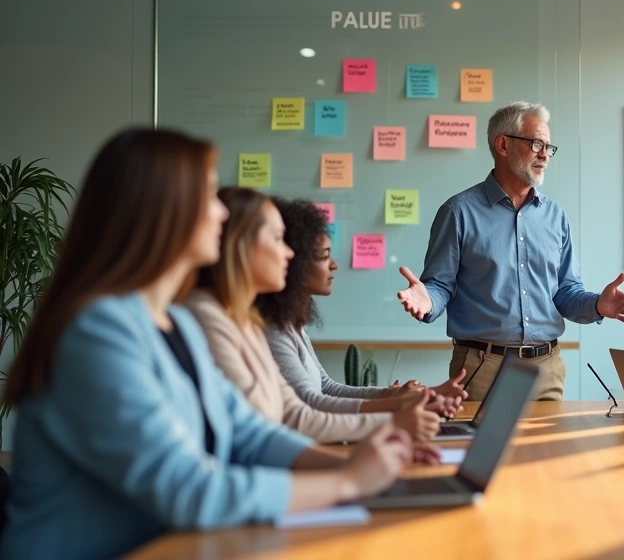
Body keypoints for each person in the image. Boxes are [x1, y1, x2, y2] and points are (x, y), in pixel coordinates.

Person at [0, 128, 423, 559]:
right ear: (160, 210)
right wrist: (347, 482)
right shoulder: (95, 333)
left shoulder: (176, 323)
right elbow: (189, 491)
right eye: (207, 194)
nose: (222, 211)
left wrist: (365, 468)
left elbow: (251, 435)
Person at [396, 101, 624, 400]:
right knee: (482, 448)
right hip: (482, 367)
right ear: (503, 144)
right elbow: (439, 286)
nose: (544, 155)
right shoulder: (458, 212)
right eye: (537, 143)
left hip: (546, 367)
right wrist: (428, 302)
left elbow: (565, 292)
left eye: (549, 147)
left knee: (548, 448)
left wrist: (597, 306)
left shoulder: (555, 216)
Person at [185, 187, 442, 443]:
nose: (287, 253)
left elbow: (294, 409)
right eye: (277, 239)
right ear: (240, 245)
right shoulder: (222, 320)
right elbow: (297, 415)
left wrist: (395, 403)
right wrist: (393, 417)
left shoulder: (252, 322)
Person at [256, 197, 467, 417]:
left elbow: (326, 387)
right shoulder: (272, 329)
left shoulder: (291, 323)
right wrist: (398, 405)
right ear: (295, 262)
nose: (334, 265)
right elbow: (311, 403)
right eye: (324, 255)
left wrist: (394, 396)